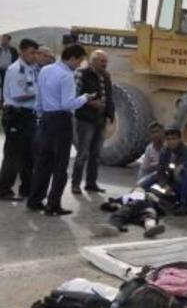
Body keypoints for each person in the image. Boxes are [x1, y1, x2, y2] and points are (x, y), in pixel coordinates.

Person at [28, 44, 97, 216]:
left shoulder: (45, 70)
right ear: (72, 58)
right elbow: (67, 104)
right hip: (61, 120)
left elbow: (39, 96)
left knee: (43, 163)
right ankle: (53, 204)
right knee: (60, 165)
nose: (79, 64)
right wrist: (84, 98)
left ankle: (35, 200)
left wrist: (40, 115)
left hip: (46, 119)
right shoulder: (67, 75)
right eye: (79, 60)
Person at [0, 39, 40, 200]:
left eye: (36, 52)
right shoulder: (16, 69)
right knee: (13, 155)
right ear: (22, 51)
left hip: (28, 116)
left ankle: (26, 188)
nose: (35, 56)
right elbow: (19, 95)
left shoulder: (30, 69)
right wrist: (39, 94)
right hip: (17, 115)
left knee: (29, 155)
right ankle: (4, 189)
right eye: (32, 52)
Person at [71, 50, 114, 194]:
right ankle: (75, 184)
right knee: (82, 153)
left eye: (106, 61)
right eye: (102, 61)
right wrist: (91, 103)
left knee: (96, 155)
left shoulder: (106, 75)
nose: (105, 64)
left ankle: (91, 183)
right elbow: (74, 95)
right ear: (93, 61)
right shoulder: (81, 73)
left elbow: (109, 96)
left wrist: (110, 114)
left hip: (100, 119)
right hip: (85, 119)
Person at [140, 127, 187, 216]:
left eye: (174, 139)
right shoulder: (165, 152)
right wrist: (165, 185)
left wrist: (185, 164)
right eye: (168, 139)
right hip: (174, 181)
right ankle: (137, 194)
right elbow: (161, 171)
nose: (171, 142)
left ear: (180, 139)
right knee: (150, 180)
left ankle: (186, 206)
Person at [0, 34, 19, 105]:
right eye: (1, 39)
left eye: (4, 39)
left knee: (7, 86)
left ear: (8, 40)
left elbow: (16, 61)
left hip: (9, 71)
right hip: (0, 70)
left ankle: (6, 101)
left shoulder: (13, 50)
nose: (2, 41)